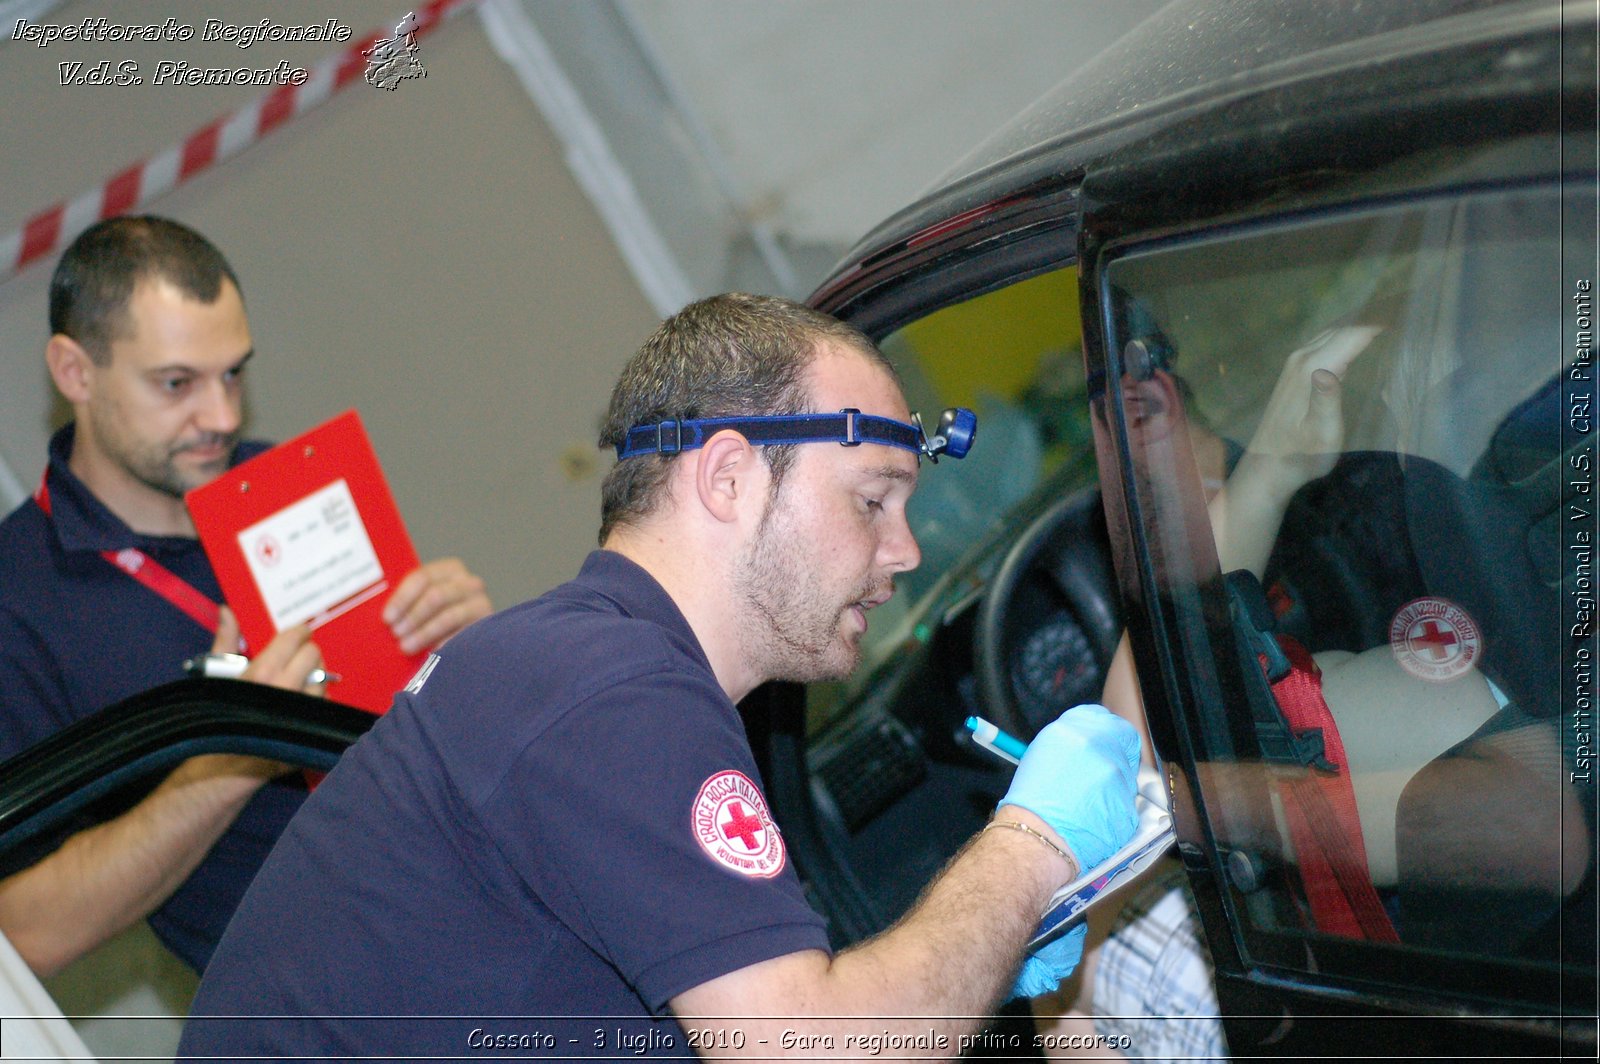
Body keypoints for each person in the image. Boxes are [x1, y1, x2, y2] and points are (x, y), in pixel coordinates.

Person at [178, 293, 1143, 1060]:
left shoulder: (579, 662)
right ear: (727, 478)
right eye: (871, 500)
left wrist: (973, 951)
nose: (903, 551)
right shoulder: (615, 694)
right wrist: (1031, 849)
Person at [0, 215, 493, 979]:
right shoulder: (18, 601)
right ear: (74, 372)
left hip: (498, 915)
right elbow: (27, 932)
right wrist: (233, 744)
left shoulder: (284, 483)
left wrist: (465, 652)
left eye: (234, 373)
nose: (224, 417)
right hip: (342, 1006)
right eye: (177, 384)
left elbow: (421, 726)